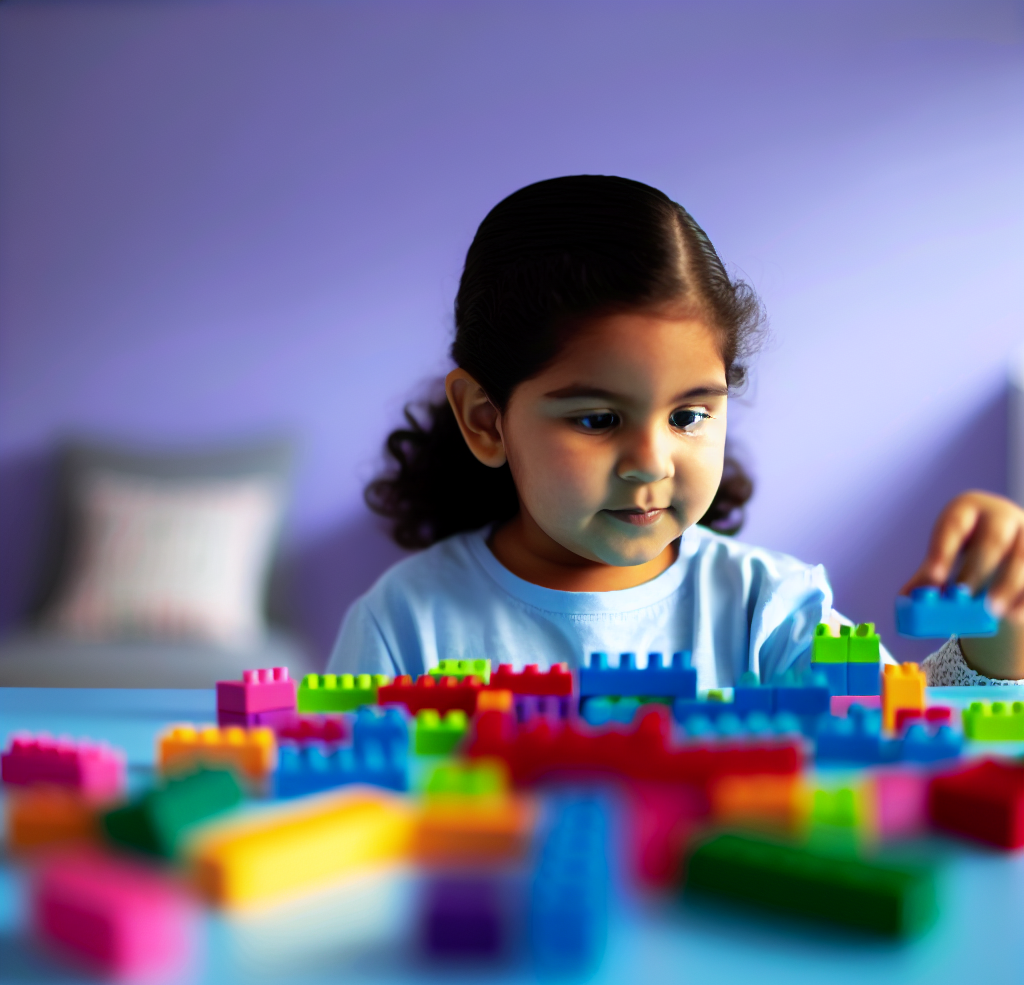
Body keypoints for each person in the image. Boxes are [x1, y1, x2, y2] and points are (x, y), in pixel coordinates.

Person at [328, 175, 1024, 689]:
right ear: (486, 419)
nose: (650, 462)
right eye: (598, 419)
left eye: (689, 415)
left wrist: (1003, 637)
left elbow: (910, 739)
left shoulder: (770, 612)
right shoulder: (404, 625)